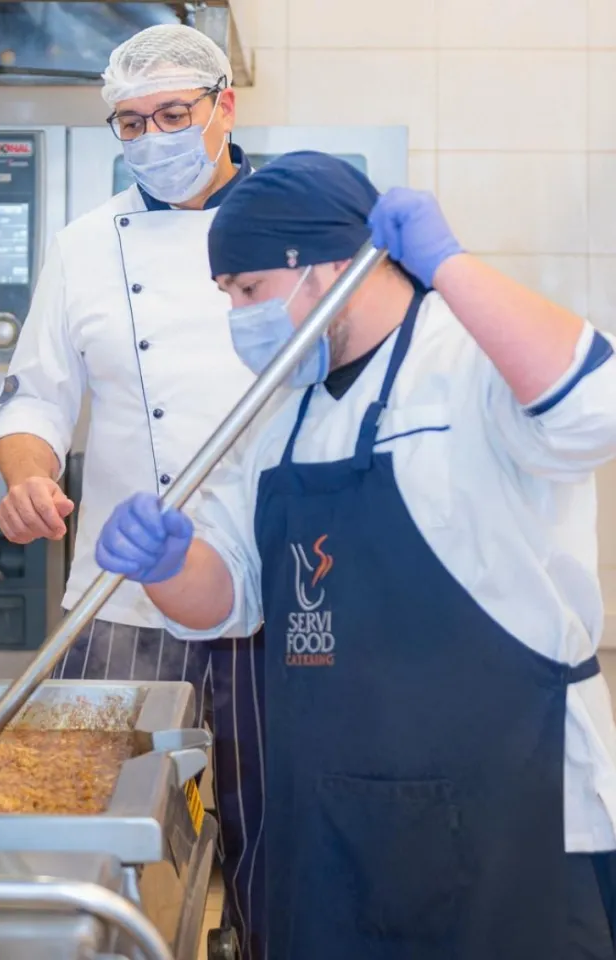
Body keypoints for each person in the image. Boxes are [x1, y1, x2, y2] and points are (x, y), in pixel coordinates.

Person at [93, 150, 616, 959]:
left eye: (247, 289)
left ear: (326, 266)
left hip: (507, 816)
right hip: (334, 829)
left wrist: (452, 267)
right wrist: (167, 566)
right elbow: (228, 595)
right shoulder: (282, 415)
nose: (237, 313)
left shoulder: (465, 360)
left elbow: (593, 410)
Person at [0, 23, 265, 958]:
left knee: (280, 832)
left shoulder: (293, 225)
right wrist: (28, 478)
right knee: (98, 832)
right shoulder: (87, 244)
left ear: (225, 105)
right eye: (129, 123)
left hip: (279, 599)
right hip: (119, 601)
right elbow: (35, 398)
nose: (151, 139)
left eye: (171, 115)